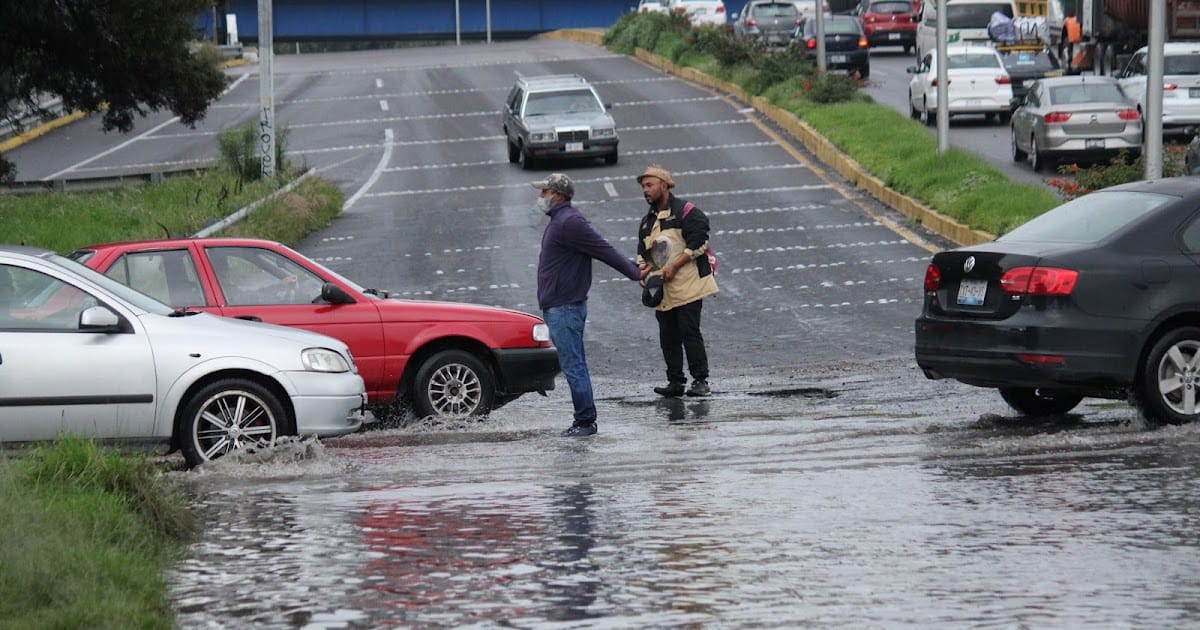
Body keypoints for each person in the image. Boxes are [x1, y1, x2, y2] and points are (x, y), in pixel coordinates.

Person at [534, 173, 642, 437]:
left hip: (565, 307)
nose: (541, 197)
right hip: (560, 306)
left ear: (557, 195)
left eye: (544, 192)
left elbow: (603, 249)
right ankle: (584, 419)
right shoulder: (560, 220)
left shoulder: (569, 222)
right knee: (574, 364)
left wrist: (635, 272)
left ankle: (585, 422)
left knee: (574, 366)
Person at [635, 164, 718, 398]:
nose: (646, 190)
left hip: (689, 286)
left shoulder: (687, 211)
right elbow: (643, 253)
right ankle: (675, 381)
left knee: (689, 333)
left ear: (664, 185)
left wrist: (675, 265)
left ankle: (700, 381)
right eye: (643, 187)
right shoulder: (647, 221)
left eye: (650, 185)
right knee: (668, 337)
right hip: (663, 291)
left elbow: (700, 241)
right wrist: (643, 274)